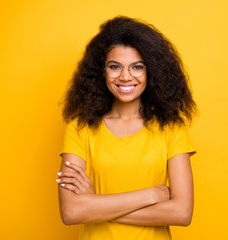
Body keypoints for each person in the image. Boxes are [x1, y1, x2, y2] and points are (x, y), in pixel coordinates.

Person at [56, 16, 197, 240]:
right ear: (102, 71)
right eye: (115, 67)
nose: (125, 76)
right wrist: (152, 194)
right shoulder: (79, 128)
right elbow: (71, 211)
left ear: (152, 71)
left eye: (137, 67)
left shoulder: (171, 127)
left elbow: (181, 213)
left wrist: (96, 207)